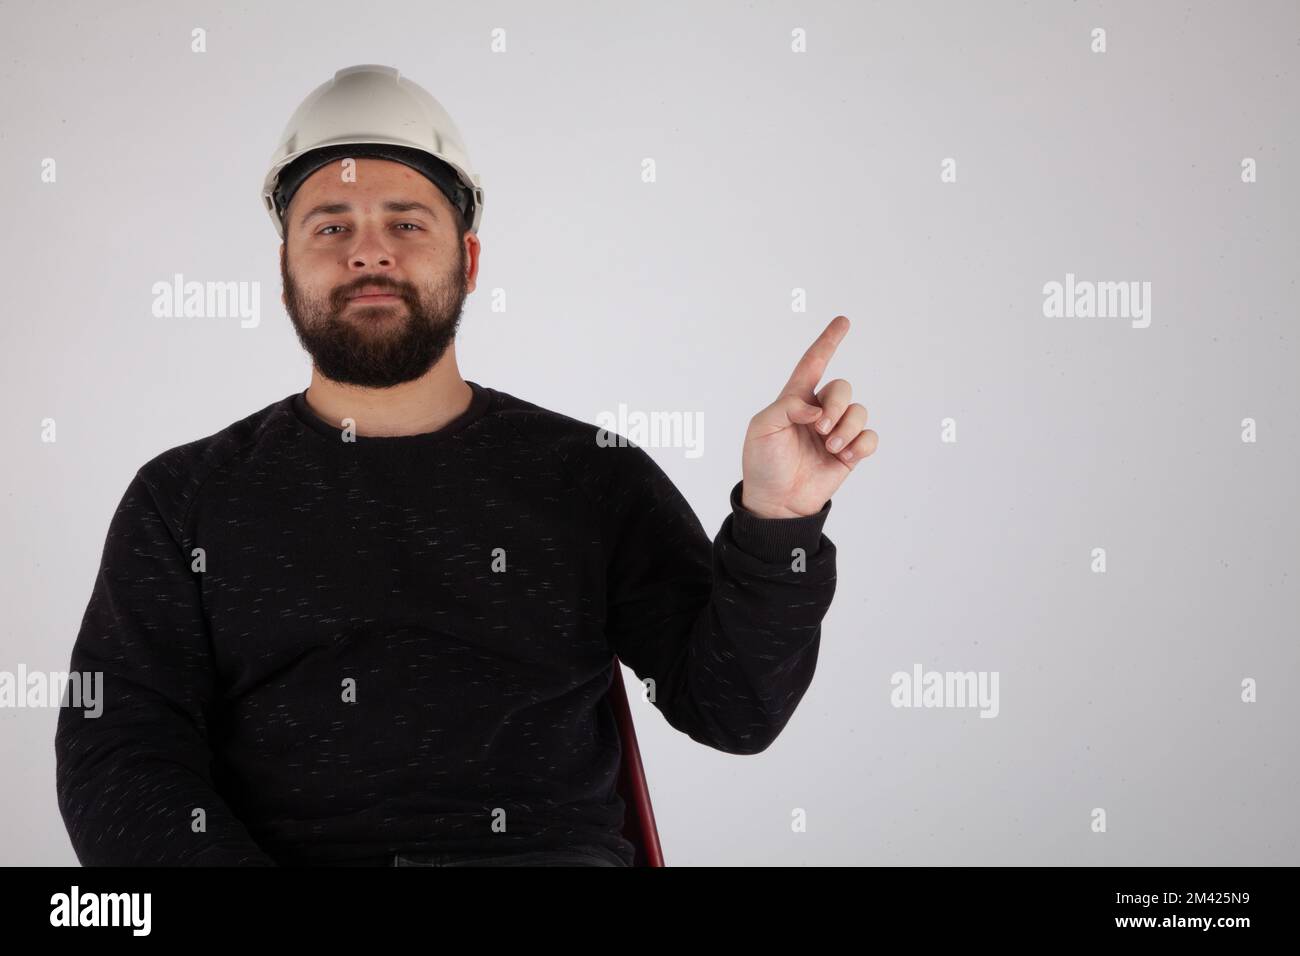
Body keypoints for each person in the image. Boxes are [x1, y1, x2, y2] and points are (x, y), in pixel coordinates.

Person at [54, 65, 877, 867]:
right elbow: (118, 756)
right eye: (331, 225)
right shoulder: (184, 499)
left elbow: (734, 712)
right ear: (284, 273)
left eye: (406, 223)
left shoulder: (590, 475)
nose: (369, 254)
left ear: (470, 263)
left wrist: (779, 523)